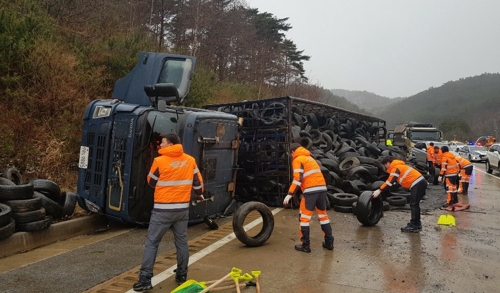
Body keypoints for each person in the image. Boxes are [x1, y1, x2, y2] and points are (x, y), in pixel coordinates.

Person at [133, 133, 204, 292]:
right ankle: (181, 275)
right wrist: (198, 194)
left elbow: (151, 181)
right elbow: (198, 184)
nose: (160, 145)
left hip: (162, 211)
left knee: (152, 243)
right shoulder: (190, 160)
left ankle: (145, 280)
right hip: (181, 210)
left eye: (163, 143)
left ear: (171, 144)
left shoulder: (159, 161)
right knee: (181, 242)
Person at [283, 143, 334, 253]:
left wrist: (290, 194)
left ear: (293, 152)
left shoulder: (297, 159)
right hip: (322, 189)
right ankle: (329, 242)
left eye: (290, 153)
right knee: (323, 216)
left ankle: (305, 245)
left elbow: (297, 179)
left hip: (310, 191)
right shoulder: (310, 158)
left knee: (304, 218)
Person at [372, 156, 428, 232]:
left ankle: (414, 225)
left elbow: (390, 181)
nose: (385, 167)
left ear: (388, 163)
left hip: (417, 183)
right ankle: (417, 224)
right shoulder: (400, 166)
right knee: (414, 204)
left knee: (414, 204)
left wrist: (379, 190)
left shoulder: (395, 168)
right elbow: (395, 182)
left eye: (385, 165)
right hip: (419, 182)